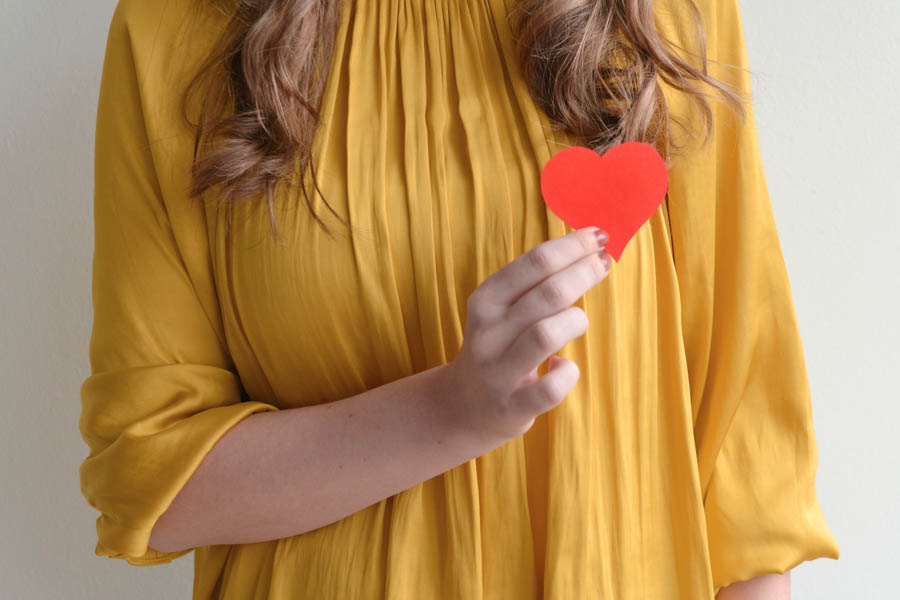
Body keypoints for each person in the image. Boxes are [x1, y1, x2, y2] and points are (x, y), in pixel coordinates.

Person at [77, 0, 840, 598]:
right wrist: (448, 412)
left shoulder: (653, 15)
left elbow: (746, 462)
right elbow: (150, 477)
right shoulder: (177, 33)